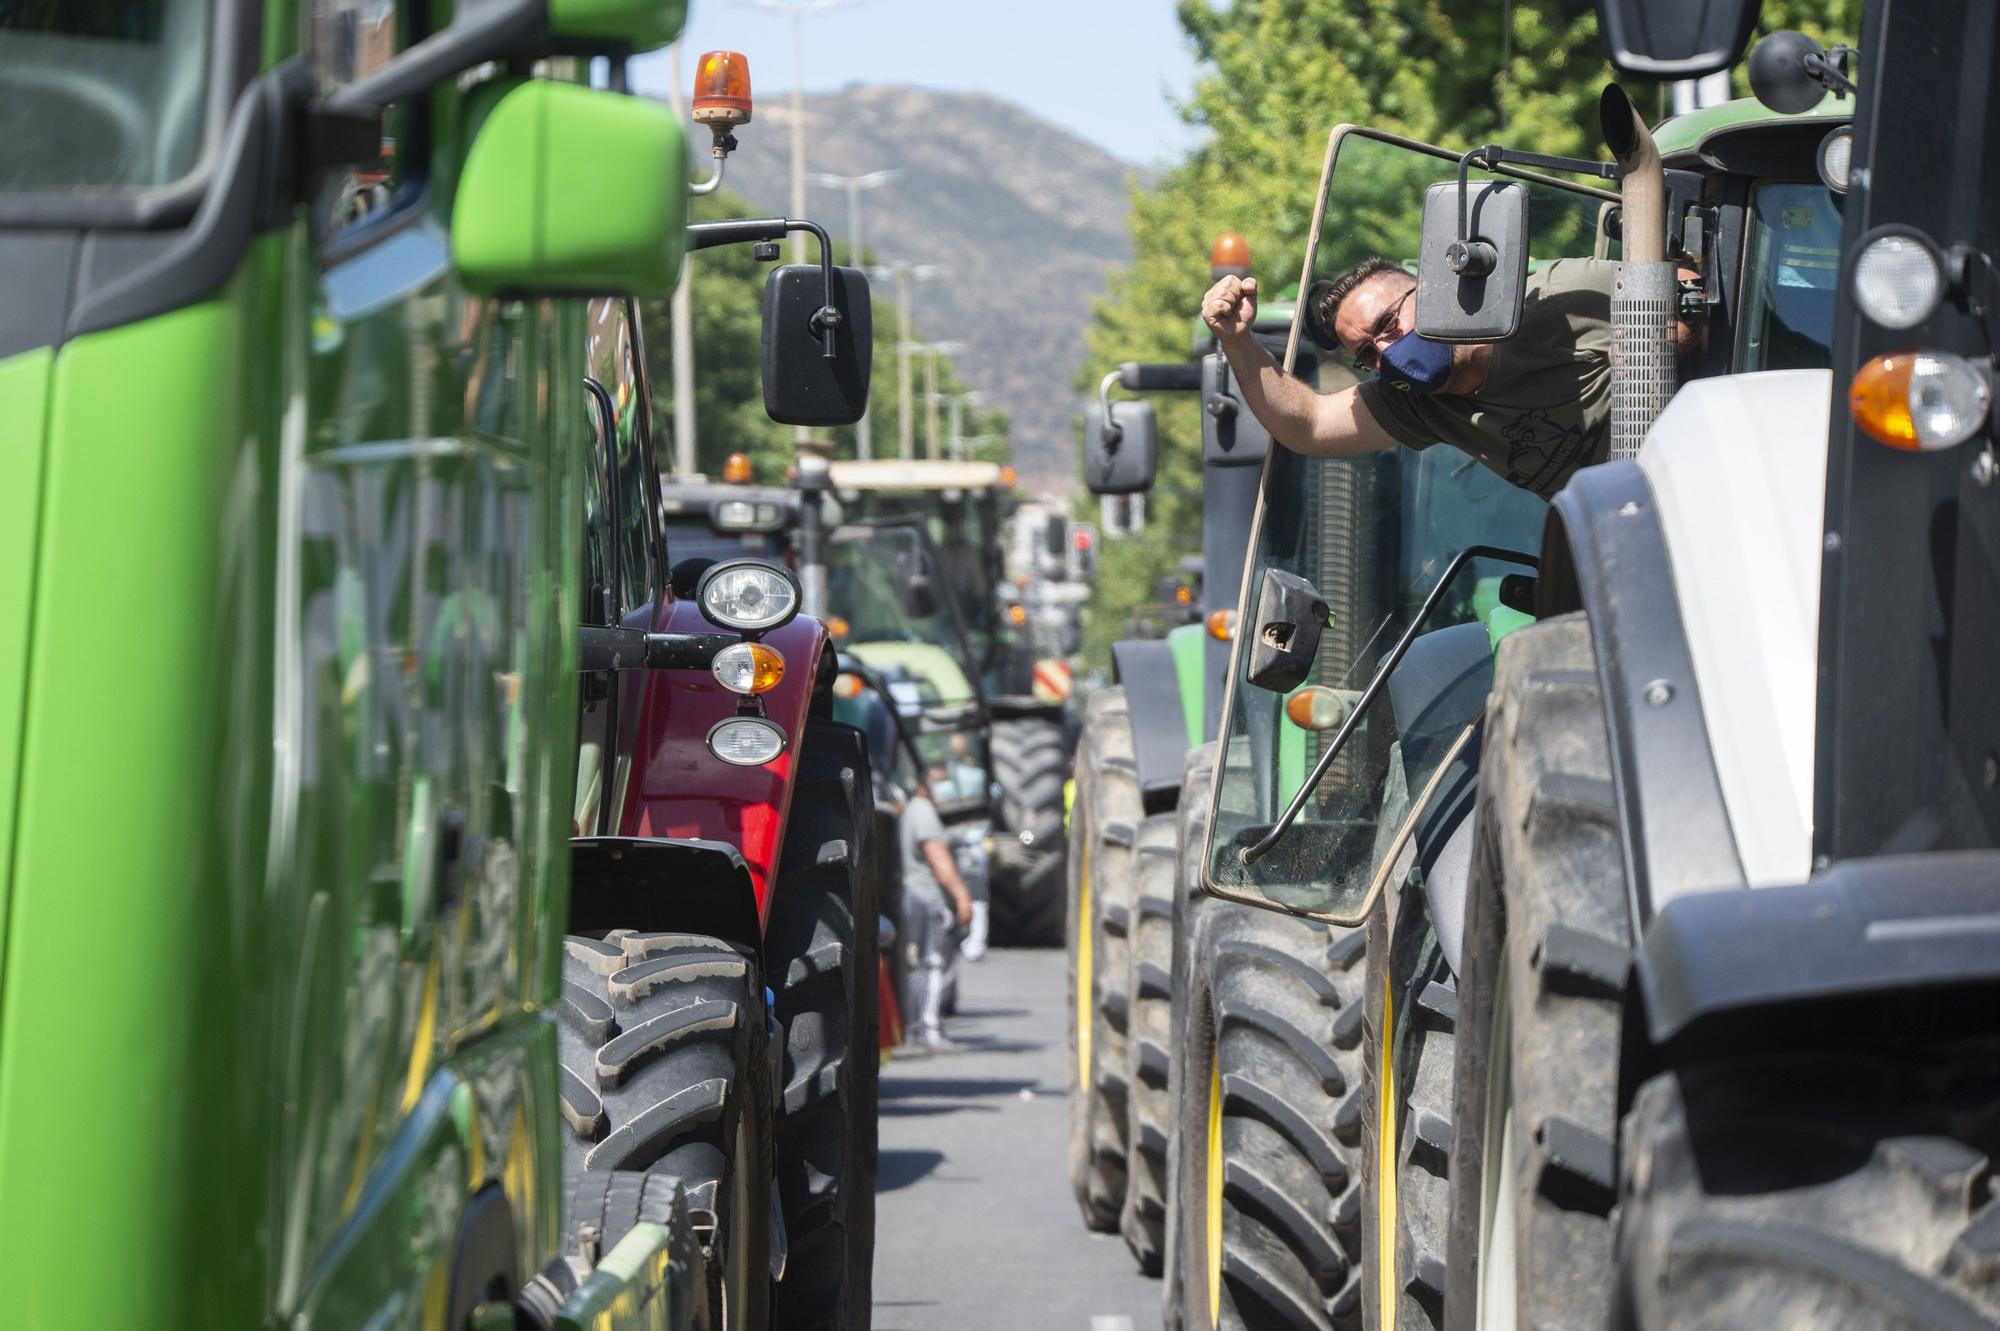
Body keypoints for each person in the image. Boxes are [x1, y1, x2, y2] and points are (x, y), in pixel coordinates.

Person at [1201, 255, 1698, 499]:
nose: (1389, 355)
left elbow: (1693, 289)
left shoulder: (1558, 299)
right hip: (1633, 534)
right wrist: (1237, 340)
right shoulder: (1419, 405)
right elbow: (1305, 426)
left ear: (1435, 292)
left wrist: (1668, 337)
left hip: (1704, 479)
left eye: (1389, 326)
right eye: (1369, 354)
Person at [899, 780, 976, 1053]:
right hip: (928, 898)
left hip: (915, 895)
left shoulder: (912, 809)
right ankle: (928, 1029)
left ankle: (917, 1026)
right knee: (933, 963)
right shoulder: (924, 811)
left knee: (919, 964)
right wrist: (961, 894)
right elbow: (937, 856)